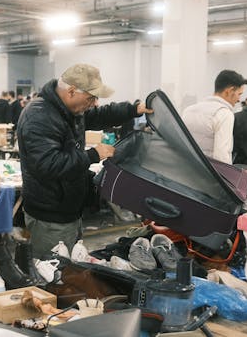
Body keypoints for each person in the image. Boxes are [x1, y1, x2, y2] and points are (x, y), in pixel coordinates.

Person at [17, 63, 153, 258]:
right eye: (91, 97)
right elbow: (48, 165)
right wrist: (93, 155)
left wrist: (134, 109)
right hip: (50, 214)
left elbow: (99, 115)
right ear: (72, 91)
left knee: (70, 270)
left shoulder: (69, 110)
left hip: (68, 208)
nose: (94, 103)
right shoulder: (40, 117)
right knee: (53, 272)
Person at [182, 69, 247, 164]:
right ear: (229, 91)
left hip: (185, 170)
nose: (239, 99)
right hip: (206, 175)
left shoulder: (189, 110)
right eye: (239, 94)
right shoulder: (224, 114)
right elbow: (222, 157)